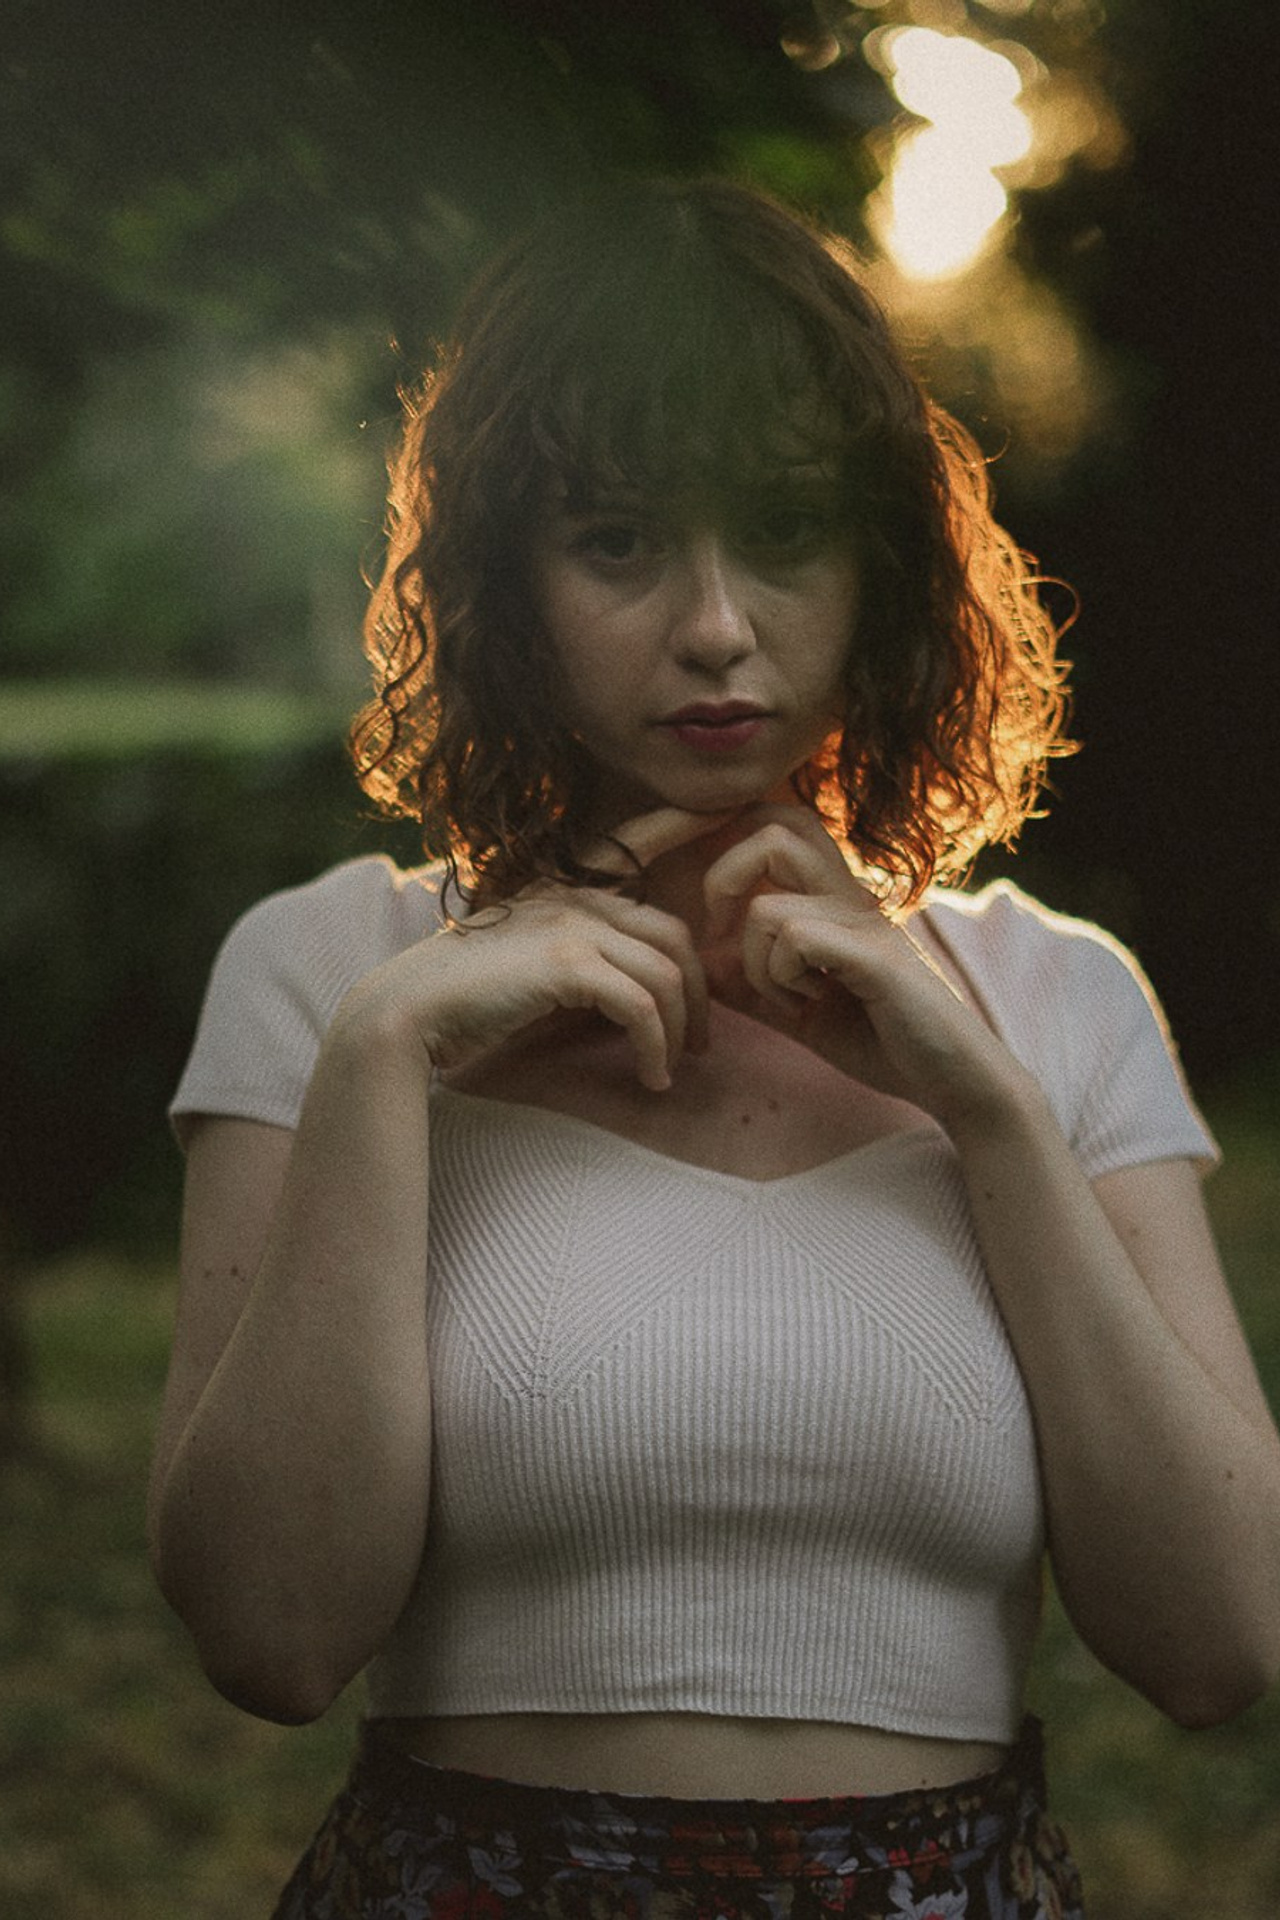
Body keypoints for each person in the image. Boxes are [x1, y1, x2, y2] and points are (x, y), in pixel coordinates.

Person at [148, 178, 1280, 1919]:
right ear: (504, 583)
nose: (716, 626)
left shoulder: (1054, 1002)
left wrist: (981, 1103)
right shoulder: (332, 976)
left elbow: (1221, 1644)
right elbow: (273, 1638)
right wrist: (383, 1068)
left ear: (881, 565)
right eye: (617, 542)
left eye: (785, 531)